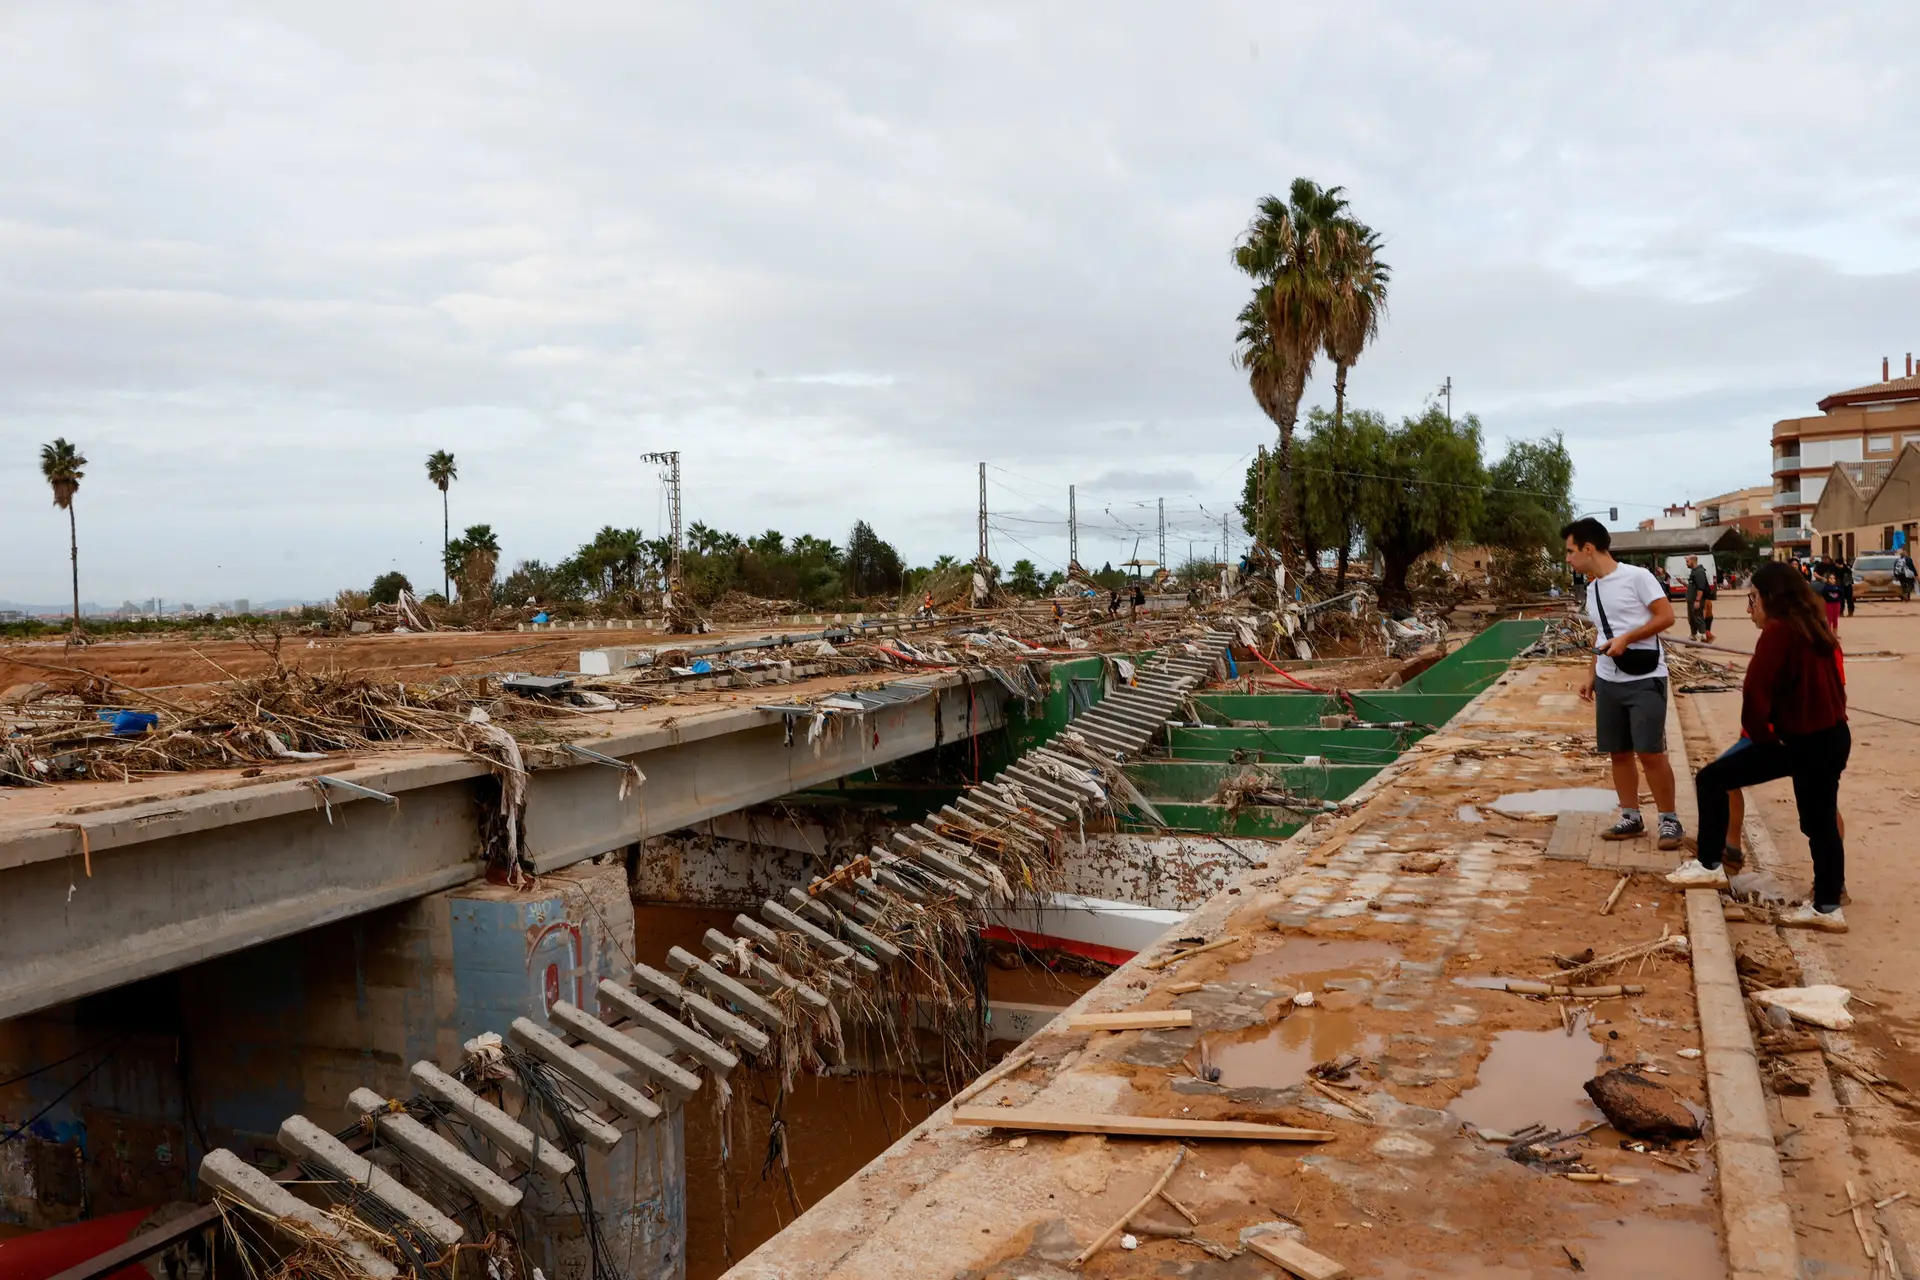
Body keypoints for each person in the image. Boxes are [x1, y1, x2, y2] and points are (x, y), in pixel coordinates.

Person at [1669, 563, 1851, 930]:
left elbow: (1754, 691)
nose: (1750, 606)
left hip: (1800, 740)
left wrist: (1765, 739)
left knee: (1711, 779)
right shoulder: (1816, 630)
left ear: (1770, 597)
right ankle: (1828, 906)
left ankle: (1709, 866)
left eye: (1753, 598)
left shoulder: (1778, 632)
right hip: (1832, 736)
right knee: (1820, 822)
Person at [1562, 518, 1685, 850]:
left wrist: (1629, 638)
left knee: (1650, 752)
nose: (1569, 559)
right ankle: (1631, 816)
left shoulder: (1638, 577)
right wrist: (1592, 675)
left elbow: (1666, 617)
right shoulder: (1593, 589)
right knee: (1618, 752)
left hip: (1645, 678)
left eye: (1571, 552)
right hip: (1609, 678)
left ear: (1588, 549)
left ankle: (1669, 819)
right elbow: (1603, 635)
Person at [1684, 554, 1715, 643]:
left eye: (1687, 561)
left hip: (1696, 600)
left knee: (1698, 618)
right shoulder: (1694, 571)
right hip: (1691, 600)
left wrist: (1697, 600)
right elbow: (1693, 586)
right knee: (1692, 619)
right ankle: (1693, 636)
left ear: (1693, 561)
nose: (1686, 563)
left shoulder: (1699, 572)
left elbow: (1700, 587)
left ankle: (1703, 636)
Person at [1818, 569, 1844, 634]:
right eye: (1830, 578)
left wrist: (1836, 590)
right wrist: (1835, 590)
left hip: (1837, 604)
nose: (1832, 580)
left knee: (1835, 619)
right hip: (1829, 604)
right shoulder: (1826, 587)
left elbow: (1841, 593)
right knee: (1829, 619)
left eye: (1833, 578)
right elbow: (1825, 593)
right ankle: (1829, 633)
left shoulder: (1838, 586)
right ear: (1828, 579)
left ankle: (1835, 633)